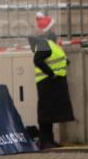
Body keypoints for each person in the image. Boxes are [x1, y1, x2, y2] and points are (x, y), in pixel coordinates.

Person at [28, 12, 74, 149]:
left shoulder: (50, 43)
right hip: (47, 83)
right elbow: (37, 60)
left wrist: (65, 62)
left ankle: (50, 140)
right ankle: (44, 141)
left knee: (51, 113)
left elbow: (55, 58)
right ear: (49, 29)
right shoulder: (44, 43)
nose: (55, 29)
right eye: (53, 27)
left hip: (53, 83)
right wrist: (51, 74)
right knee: (46, 113)